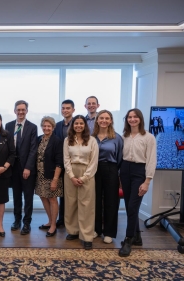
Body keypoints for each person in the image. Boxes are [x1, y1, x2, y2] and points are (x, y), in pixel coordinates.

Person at [119, 108, 156, 257]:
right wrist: (120, 177)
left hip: (139, 172)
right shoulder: (124, 137)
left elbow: (152, 160)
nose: (132, 119)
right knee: (129, 206)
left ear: (140, 119)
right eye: (129, 117)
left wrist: (147, 181)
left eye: (135, 117)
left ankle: (128, 239)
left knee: (133, 206)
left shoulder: (148, 137)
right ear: (127, 119)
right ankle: (138, 237)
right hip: (125, 170)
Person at [63, 115, 99, 250]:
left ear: (85, 125)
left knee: (86, 205)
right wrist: (72, 176)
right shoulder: (67, 140)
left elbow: (94, 161)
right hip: (71, 172)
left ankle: (86, 236)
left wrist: (84, 177)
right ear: (72, 125)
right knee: (71, 202)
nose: (78, 125)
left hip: (87, 173)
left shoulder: (92, 141)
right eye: (76, 123)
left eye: (81, 123)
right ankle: (73, 231)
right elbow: (66, 159)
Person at [5, 100, 37, 235]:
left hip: (27, 168)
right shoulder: (9, 125)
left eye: (23, 110)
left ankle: (27, 222)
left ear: (27, 111)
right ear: (14, 111)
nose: (21, 112)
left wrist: (28, 167)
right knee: (16, 195)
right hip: (13, 168)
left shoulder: (32, 127)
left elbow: (33, 149)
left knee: (28, 197)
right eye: (18, 110)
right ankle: (17, 220)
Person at [92, 110, 123, 244]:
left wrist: (119, 176)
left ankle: (109, 232)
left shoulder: (117, 137)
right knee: (95, 200)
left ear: (110, 121)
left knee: (111, 201)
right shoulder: (91, 137)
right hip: (94, 170)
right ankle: (96, 229)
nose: (104, 120)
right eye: (101, 118)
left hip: (111, 169)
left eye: (107, 118)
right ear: (97, 120)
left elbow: (120, 158)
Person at [35, 116, 63, 237]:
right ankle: (50, 221)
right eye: (44, 126)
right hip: (40, 174)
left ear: (53, 127)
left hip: (52, 175)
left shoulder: (57, 141)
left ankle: (53, 225)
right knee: (43, 196)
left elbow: (59, 162)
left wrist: (55, 180)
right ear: (42, 127)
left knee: (52, 199)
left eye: (49, 126)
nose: (46, 128)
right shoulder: (39, 139)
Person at [54, 99, 75, 227]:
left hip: (74, 164)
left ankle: (72, 221)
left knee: (72, 194)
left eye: (68, 108)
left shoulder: (78, 124)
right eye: (63, 108)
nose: (65, 110)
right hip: (59, 163)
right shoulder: (57, 126)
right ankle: (61, 219)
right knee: (61, 193)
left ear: (73, 110)